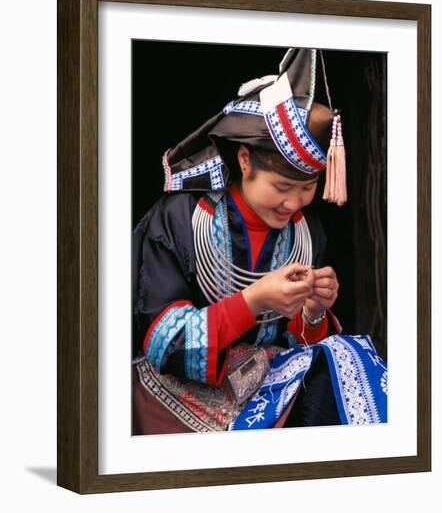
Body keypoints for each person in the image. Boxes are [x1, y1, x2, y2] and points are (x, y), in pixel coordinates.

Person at [132, 48, 387, 434]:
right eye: (282, 186)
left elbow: (297, 343)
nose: (294, 202)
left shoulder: (306, 231)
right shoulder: (179, 219)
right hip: (180, 393)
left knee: (347, 360)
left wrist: (314, 312)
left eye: (309, 187)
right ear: (245, 160)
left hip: (268, 384)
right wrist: (254, 301)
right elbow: (162, 344)